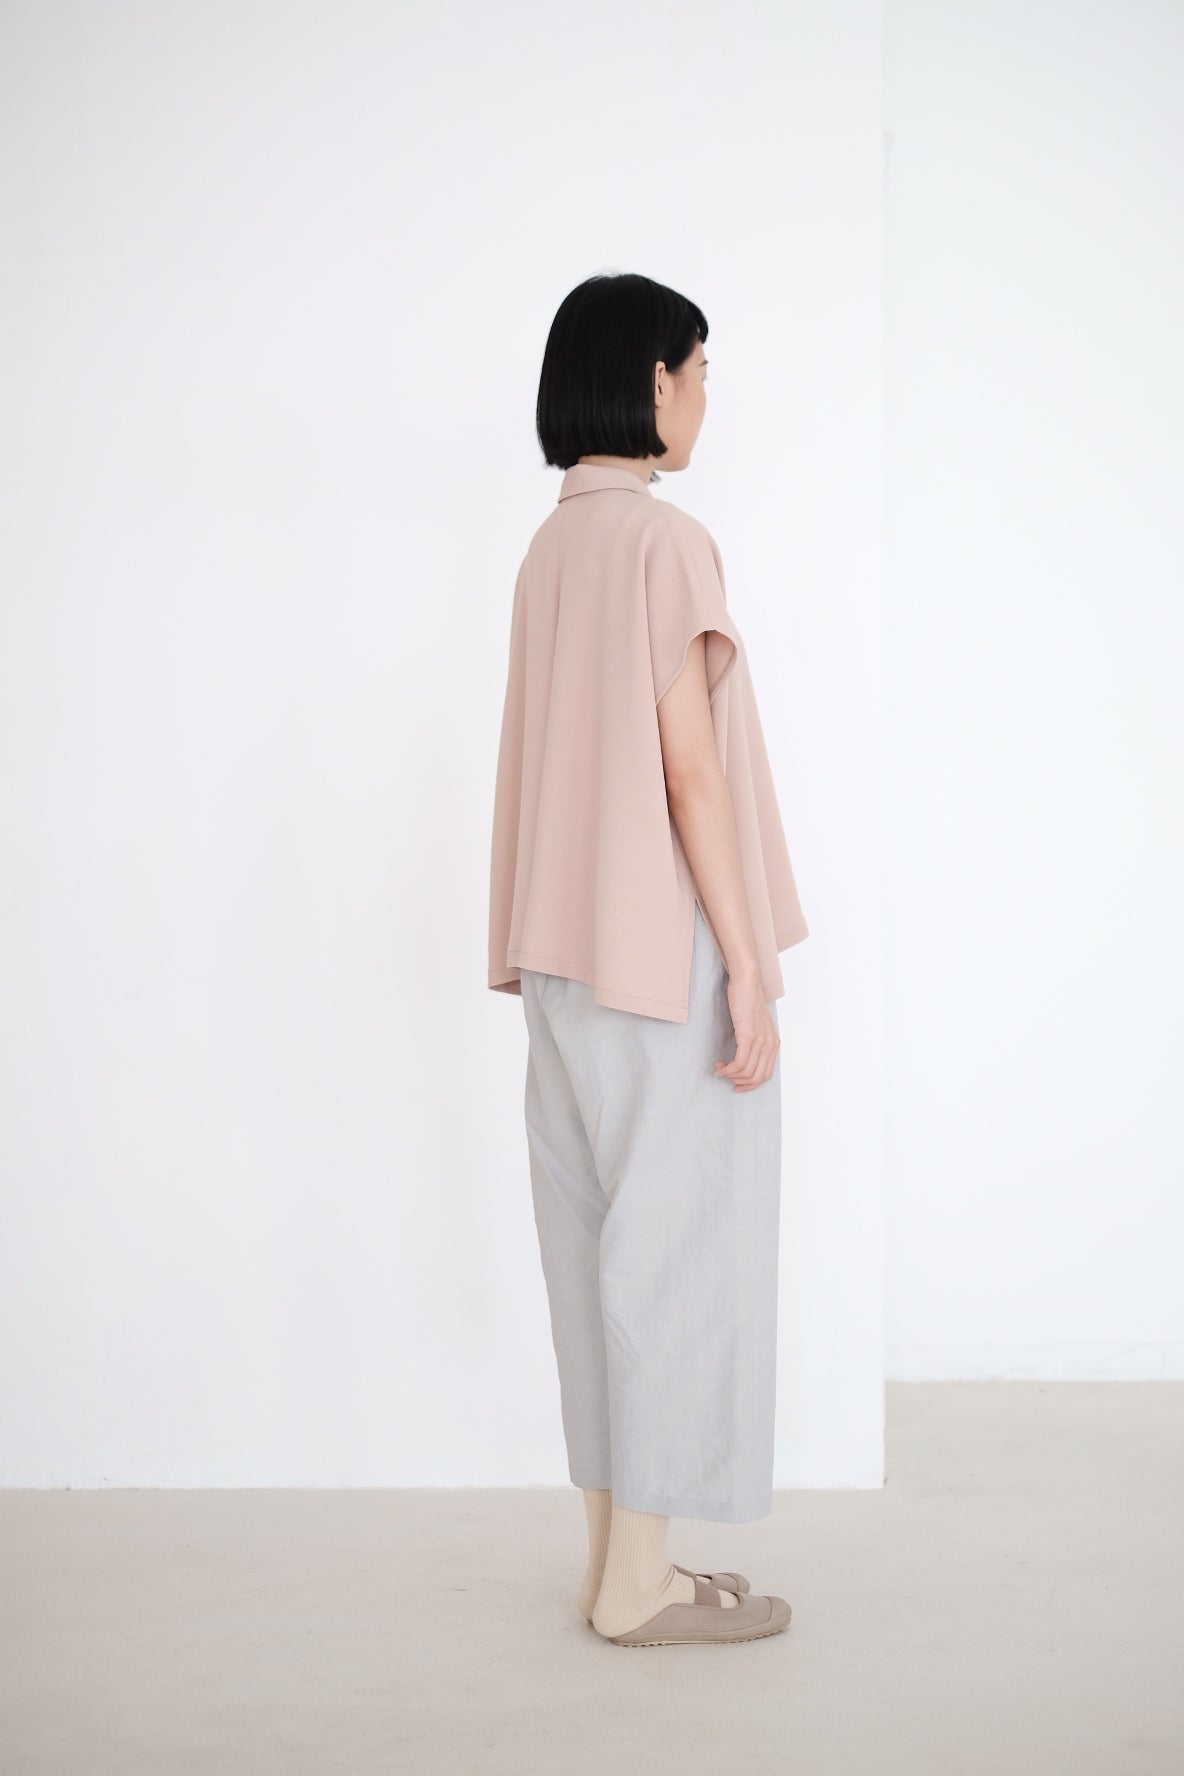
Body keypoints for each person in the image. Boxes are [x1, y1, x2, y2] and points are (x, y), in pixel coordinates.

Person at [487, 271, 809, 1647]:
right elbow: (692, 773)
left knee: (592, 1257)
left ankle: (617, 1565)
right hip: (651, 954)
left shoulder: (549, 547)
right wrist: (746, 962)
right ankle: (639, 1588)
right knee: (677, 1258)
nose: (706, 397)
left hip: (556, 958)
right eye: (700, 370)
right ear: (653, 380)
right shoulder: (663, 543)